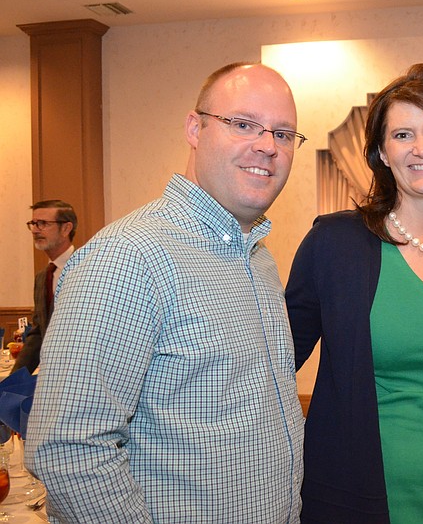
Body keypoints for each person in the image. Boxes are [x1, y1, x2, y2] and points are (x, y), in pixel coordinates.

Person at [26, 63, 306, 522]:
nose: (267, 146)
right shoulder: (128, 257)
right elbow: (68, 449)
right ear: (194, 128)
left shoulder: (258, 259)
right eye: (243, 124)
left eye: (284, 133)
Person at [286, 63, 423, 523]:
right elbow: (272, 364)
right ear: (382, 152)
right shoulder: (334, 245)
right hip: (352, 498)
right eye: (402, 135)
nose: (421, 148)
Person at [13, 200, 77, 374]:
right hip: (52, 374)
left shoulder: (87, 268)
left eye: (43, 224)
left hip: (83, 373)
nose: (35, 229)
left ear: (66, 228)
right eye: (33, 223)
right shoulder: (43, 277)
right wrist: (14, 379)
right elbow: (39, 333)